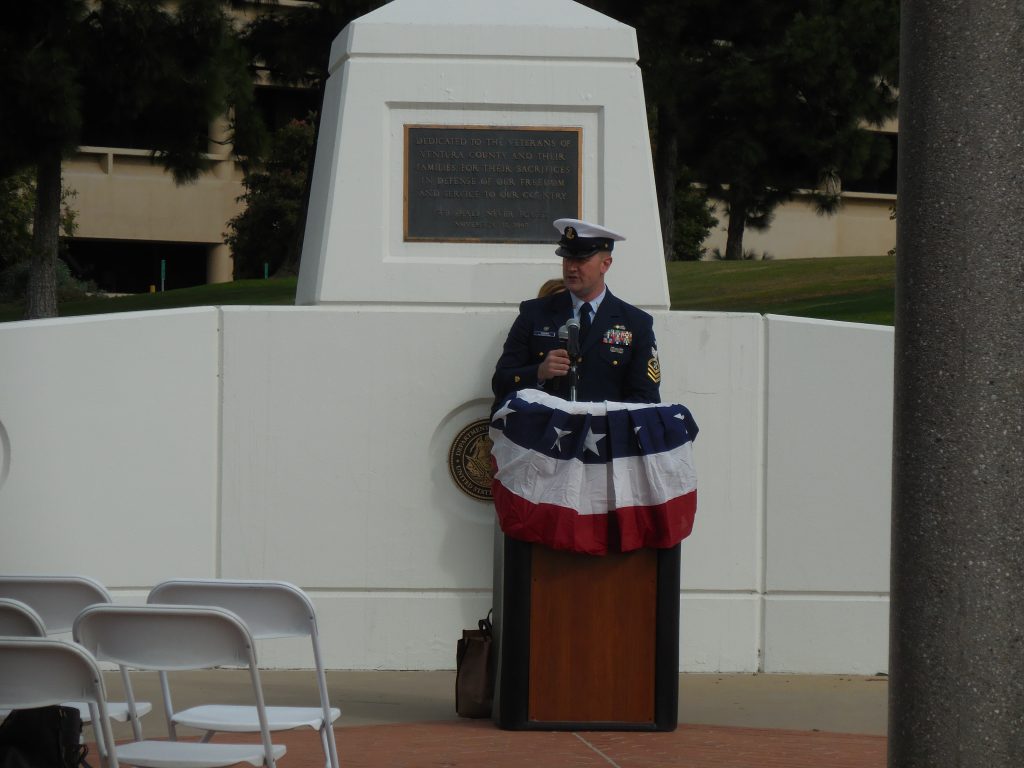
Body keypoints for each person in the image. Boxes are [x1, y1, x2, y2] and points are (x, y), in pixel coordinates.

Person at [492, 218, 661, 407]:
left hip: (605, 426)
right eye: (567, 258)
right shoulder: (534, 313)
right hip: (546, 425)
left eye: (581, 259)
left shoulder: (636, 323)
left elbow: (646, 399)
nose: (571, 267)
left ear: (605, 264)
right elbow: (501, 382)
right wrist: (539, 372)